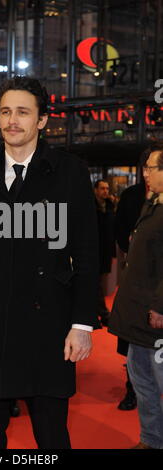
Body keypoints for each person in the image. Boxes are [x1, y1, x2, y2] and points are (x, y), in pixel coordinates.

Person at [0, 76, 99, 449]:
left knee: (52, 437)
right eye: (5, 112)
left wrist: (81, 324)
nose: (12, 121)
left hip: (48, 326)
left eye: (23, 112)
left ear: (42, 121)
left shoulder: (69, 172)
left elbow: (88, 253)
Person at [109, 142, 163, 449]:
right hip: (137, 313)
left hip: (155, 315)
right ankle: (151, 439)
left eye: (152, 168)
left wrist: (160, 306)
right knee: (141, 380)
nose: (146, 173)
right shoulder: (151, 204)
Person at [114, 156, 148, 411]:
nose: (149, 173)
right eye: (146, 167)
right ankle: (132, 388)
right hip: (134, 275)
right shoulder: (131, 195)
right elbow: (120, 229)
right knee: (133, 336)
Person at [94, 179, 116, 326]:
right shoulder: (89, 205)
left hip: (105, 250)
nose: (105, 191)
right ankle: (102, 313)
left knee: (98, 283)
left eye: (107, 189)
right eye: (102, 188)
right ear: (95, 190)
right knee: (95, 283)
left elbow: (111, 229)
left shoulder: (109, 206)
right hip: (93, 249)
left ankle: (99, 313)